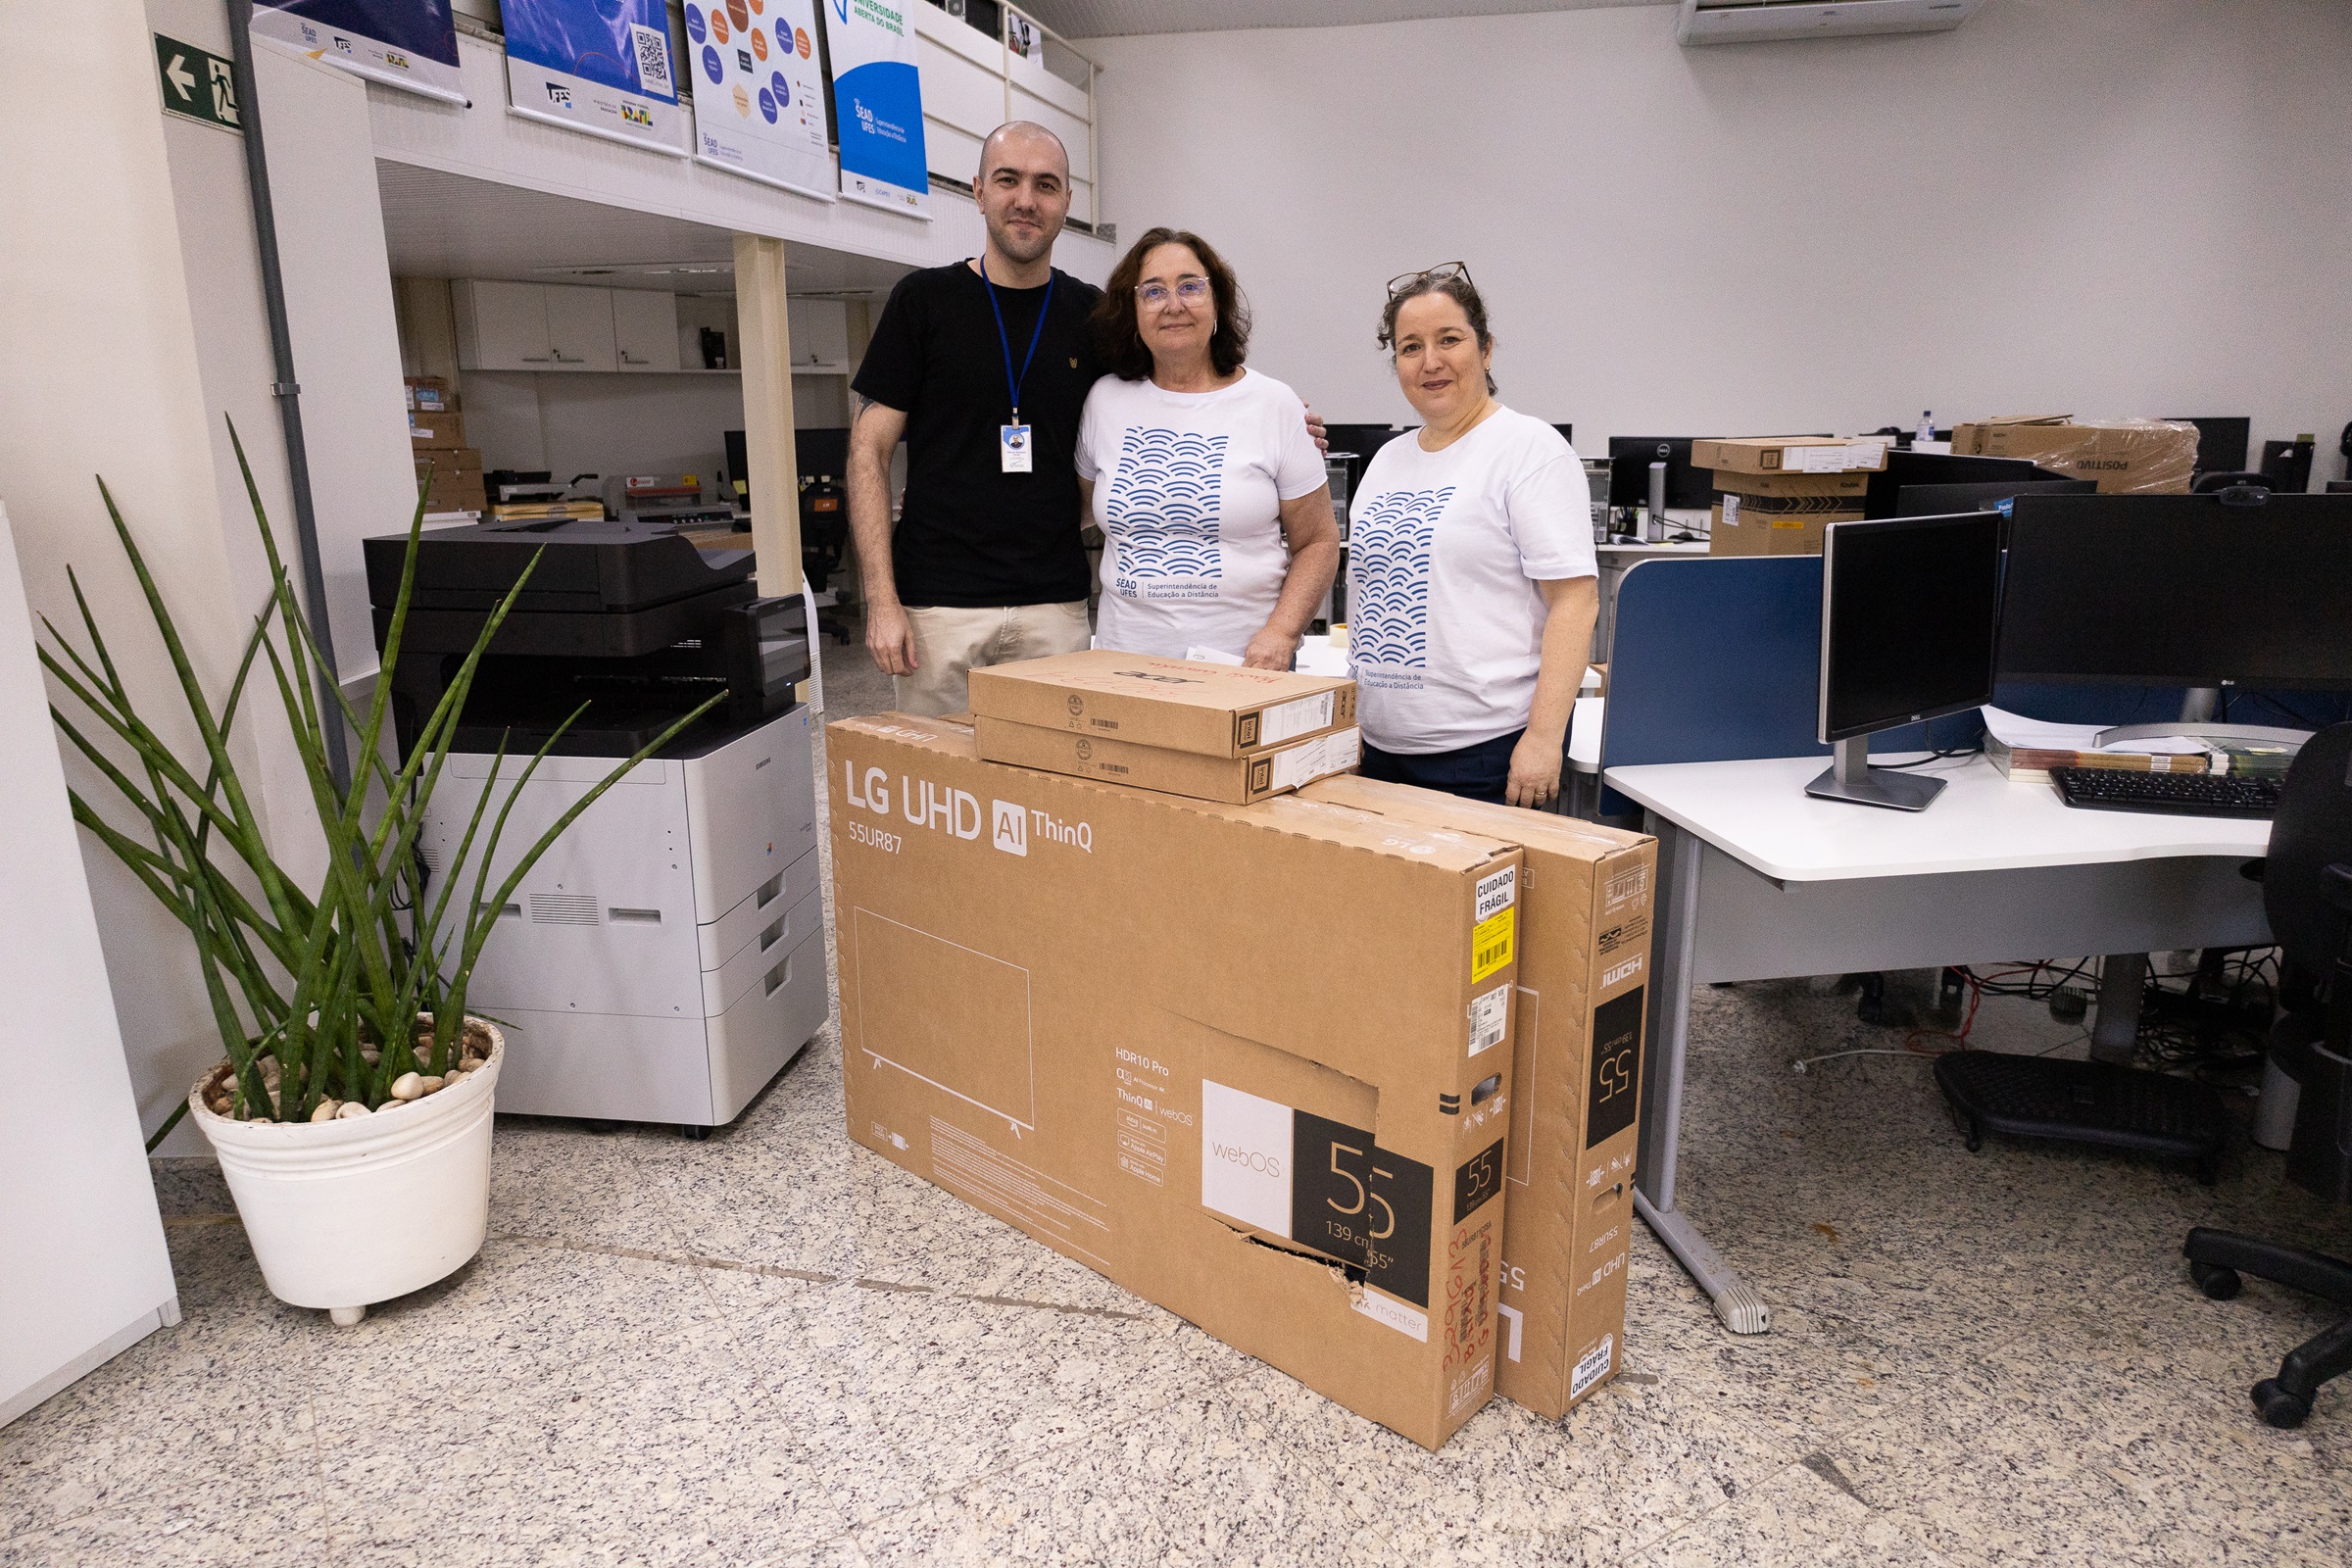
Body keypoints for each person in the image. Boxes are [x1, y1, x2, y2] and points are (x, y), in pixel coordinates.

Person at [847, 122, 1102, 716]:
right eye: (1008, 180)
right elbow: (868, 452)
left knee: (1047, 799)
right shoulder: (923, 301)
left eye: (1046, 185)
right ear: (978, 192)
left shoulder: (1092, 315)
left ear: (1065, 202)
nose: (1026, 200)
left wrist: (1270, 411)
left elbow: (1171, 394)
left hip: (1054, 606)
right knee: (941, 801)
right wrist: (882, 601)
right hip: (938, 607)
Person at [1346, 264, 1598, 808]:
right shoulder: (1388, 460)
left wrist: (1543, 739)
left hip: (1484, 755)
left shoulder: (1529, 450)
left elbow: (1576, 601)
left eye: (1449, 340)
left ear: (1485, 349)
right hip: (1378, 750)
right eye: (1410, 347)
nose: (1430, 361)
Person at [1074, 229, 1339, 666]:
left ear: (1217, 302)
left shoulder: (1274, 405)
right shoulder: (1104, 401)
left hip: (1245, 666)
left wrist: (1281, 632)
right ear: (1132, 310)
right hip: (1124, 665)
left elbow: (1318, 541)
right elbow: (1079, 512)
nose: (1174, 304)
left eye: (1191, 287)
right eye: (1153, 291)